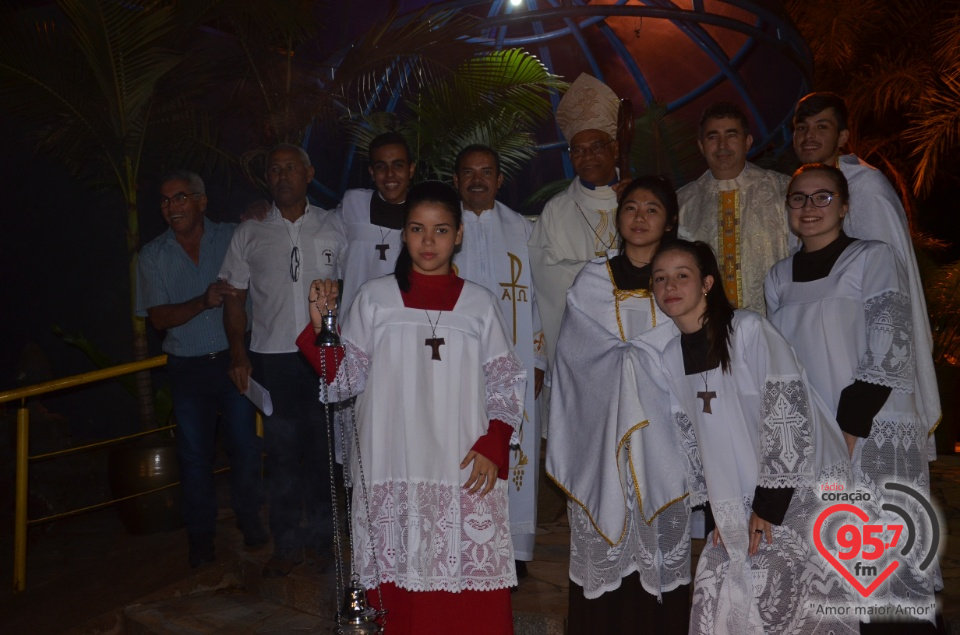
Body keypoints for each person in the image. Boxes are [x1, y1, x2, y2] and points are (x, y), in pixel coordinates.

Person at [298, 181, 526, 635]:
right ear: (403, 234)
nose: (428, 241)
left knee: (465, 590)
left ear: (458, 235)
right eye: (417, 229)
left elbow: (505, 379)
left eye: (440, 230)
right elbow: (346, 380)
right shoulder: (375, 298)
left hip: (463, 460)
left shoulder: (479, 304)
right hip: (391, 461)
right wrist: (318, 329)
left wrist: (496, 439)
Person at [765, 164, 942, 633]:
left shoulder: (873, 257)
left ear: (845, 207)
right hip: (813, 435)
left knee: (882, 569)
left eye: (823, 198)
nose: (809, 208)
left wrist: (846, 431)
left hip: (871, 427)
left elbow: (888, 344)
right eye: (799, 199)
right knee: (827, 570)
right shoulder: (778, 277)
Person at [647, 239, 853, 634]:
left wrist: (768, 506)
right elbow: (694, 442)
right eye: (660, 278)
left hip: (794, 494)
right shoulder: (670, 356)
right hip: (737, 501)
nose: (669, 286)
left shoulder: (747, 330)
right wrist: (719, 513)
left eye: (681, 275)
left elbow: (787, 415)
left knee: (795, 609)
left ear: (707, 283)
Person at [546, 176, 690, 632]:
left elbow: (695, 345)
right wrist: (635, 362)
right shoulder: (592, 278)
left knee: (661, 549)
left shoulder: (681, 276)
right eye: (631, 207)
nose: (641, 217)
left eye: (652, 208)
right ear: (618, 217)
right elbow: (575, 357)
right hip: (604, 435)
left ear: (670, 221)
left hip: (664, 434)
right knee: (605, 554)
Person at [218, 144, 347, 578]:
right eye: (274, 169)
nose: (283, 175)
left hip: (322, 357)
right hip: (271, 360)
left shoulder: (335, 225)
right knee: (282, 454)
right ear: (266, 179)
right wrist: (238, 351)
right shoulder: (250, 232)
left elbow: (354, 287)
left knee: (324, 453)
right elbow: (233, 296)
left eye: (291, 167)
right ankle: (287, 546)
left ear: (309, 173)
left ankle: (327, 543)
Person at [135, 170, 265, 568]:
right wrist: (204, 300)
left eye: (180, 197)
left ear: (201, 201)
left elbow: (267, 227)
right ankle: (201, 538)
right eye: (165, 200)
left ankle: (250, 519)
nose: (171, 206)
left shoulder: (230, 236)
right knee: (194, 457)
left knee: (245, 447)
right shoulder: (153, 255)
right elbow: (158, 318)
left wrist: (262, 210)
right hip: (188, 370)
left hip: (235, 359)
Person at [792, 92, 940, 438]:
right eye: (802, 128)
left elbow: (892, 283)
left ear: (843, 137)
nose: (809, 136)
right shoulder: (802, 191)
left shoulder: (866, 188)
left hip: (869, 350)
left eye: (821, 127)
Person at [452, 144, 546, 579]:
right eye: (468, 173)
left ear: (499, 179)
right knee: (467, 447)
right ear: (456, 180)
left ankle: (511, 550)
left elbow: (537, 297)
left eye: (485, 172)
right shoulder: (445, 228)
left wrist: (540, 357)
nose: (477, 180)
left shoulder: (521, 229)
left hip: (515, 360)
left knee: (517, 450)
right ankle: (467, 543)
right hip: (458, 362)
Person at [528, 73, 625, 380]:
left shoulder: (643, 202)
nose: (587, 156)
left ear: (615, 149)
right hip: (580, 346)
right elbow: (544, 272)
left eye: (596, 146)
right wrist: (609, 271)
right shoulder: (557, 210)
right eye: (577, 150)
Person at [677, 101, 791, 315]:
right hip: (708, 326)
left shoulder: (782, 190)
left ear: (747, 142)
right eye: (712, 137)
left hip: (774, 323)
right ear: (701, 145)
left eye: (731, 135)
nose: (722, 145)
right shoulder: (682, 202)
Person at [337, 131, 416, 313]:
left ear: (411, 170)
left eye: (398, 165)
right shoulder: (353, 204)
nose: (390, 174)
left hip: (403, 320)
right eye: (381, 167)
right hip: (355, 319)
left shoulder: (424, 213)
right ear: (372, 172)